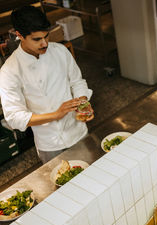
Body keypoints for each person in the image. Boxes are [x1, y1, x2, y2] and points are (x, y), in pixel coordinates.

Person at [0, 6, 93, 163]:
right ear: (19, 35)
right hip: (50, 143)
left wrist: (83, 103)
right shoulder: (9, 71)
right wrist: (56, 115)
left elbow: (77, 82)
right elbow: (14, 117)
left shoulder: (60, 51)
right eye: (37, 39)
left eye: (46, 36)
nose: (44, 43)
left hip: (78, 131)